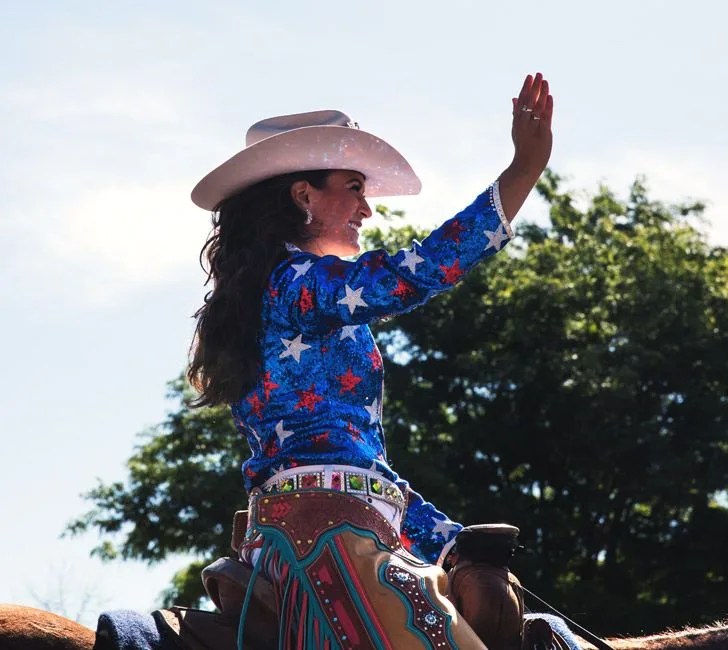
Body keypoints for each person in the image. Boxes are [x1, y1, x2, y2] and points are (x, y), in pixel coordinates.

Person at [187, 73, 553, 648]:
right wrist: (522, 172)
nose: (367, 209)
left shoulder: (284, 292)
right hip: (327, 543)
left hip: (342, 532)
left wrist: (451, 542)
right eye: (354, 187)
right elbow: (415, 272)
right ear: (304, 196)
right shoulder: (295, 284)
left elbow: (360, 473)